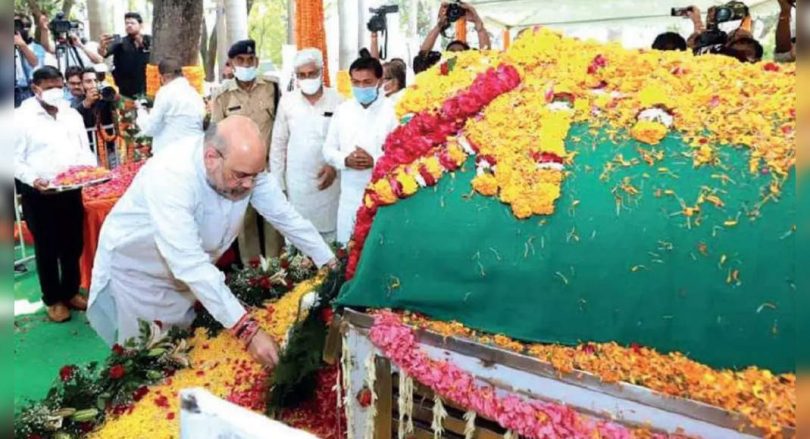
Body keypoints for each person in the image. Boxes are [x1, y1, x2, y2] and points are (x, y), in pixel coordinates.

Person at [86, 115, 336, 369]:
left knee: (186, 351)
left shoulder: (244, 169)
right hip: (139, 276)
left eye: (255, 176)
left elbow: (286, 217)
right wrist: (247, 331)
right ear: (211, 158)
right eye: (241, 176)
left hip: (189, 275)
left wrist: (330, 262)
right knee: (149, 361)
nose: (249, 184)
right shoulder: (171, 176)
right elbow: (189, 263)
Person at [14, 66, 98, 323]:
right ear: (35, 88)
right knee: (47, 247)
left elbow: (83, 149)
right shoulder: (20, 118)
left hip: (70, 188)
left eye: (58, 86)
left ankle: (71, 291)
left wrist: (91, 171)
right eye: (49, 87)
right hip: (39, 193)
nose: (55, 91)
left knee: (73, 244)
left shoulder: (71, 114)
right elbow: (12, 158)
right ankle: (53, 299)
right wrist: (33, 179)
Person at [212, 39, 284, 264]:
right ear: (231, 64)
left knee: (275, 222)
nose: (246, 64)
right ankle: (253, 278)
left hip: (269, 169)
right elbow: (216, 136)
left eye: (250, 60)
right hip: (239, 173)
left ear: (257, 61)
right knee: (245, 224)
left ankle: (276, 272)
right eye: (240, 60)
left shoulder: (272, 87)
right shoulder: (222, 95)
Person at [270, 48, 343, 244]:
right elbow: (278, 145)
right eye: (302, 75)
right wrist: (279, 186)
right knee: (297, 243)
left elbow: (346, 142)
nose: (307, 78)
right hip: (297, 186)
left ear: (321, 71)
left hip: (330, 185)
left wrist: (335, 166)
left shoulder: (339, 100)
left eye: (311, 73)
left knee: (330, 242)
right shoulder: (288, 101)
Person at [323, 57, 398, 244]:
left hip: (383, 199)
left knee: (377, 254)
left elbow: (402, 154)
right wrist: (345, 160)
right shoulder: (343, 110)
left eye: (367, 82)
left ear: (380, 82)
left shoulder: (394, 111)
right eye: (356, 82)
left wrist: (375, 161)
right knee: (346, 252)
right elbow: (328, 149)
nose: (361, 88)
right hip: (349, 198)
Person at [137, 58, 206, 156]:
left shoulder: (165, 92)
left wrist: (141, 113)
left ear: (163, 77)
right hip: (195, 152)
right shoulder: (194, 94)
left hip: (172, 154)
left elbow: (150, 128)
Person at [413, 2, 491, 74]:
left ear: (468, 55)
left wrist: (477, 21)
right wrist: (439, 25)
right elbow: (421, 57)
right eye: (452, 51)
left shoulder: (474, 73)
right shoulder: (438, 74)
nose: (456, 54)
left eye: (461, 51)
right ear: (444, 57)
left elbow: (486, 56)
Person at [98, 12, 152, 98]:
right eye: (127, 23)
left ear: (141, 25)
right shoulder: (120, 41)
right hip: (126, 89)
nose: (129, 25)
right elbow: (104, 53)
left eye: (132, 23)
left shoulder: (150, 40)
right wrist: (102, 46)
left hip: (147, 86)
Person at [76, 67, 118, 167]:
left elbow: (116, 108)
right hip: (89, 153)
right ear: (81, 85)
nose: (93, 85)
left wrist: (113, 97)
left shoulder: (104, 96)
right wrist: (87, 103)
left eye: (95, 81)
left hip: (111, 149)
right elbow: (75, 115)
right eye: (88, 81)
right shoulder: (75, 101)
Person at [14, 13, 47, 107]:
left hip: (27, 91)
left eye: (20, 25)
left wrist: (23, 45)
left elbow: (35, 65)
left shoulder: (36, 47)